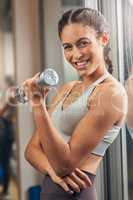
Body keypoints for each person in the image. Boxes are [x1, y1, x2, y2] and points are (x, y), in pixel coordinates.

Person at [23, 8, 127, 200]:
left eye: (83, 43)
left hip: (75, 194)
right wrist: (52, 171)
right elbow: (31, 150)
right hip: (50, 190)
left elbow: (65, 164)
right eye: (68, 47)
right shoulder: (68, 88)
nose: (76, 55)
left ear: (103, 39)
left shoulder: (111, 93)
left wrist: (38, 104)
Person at [0, 76, 16, 197]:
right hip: (6, 129)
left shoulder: (12, 95)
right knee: (4, 162)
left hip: (6, 130)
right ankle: (5, 189)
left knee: (5, 162)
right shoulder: (7, 94)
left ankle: (5, 190)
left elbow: (2, 112)